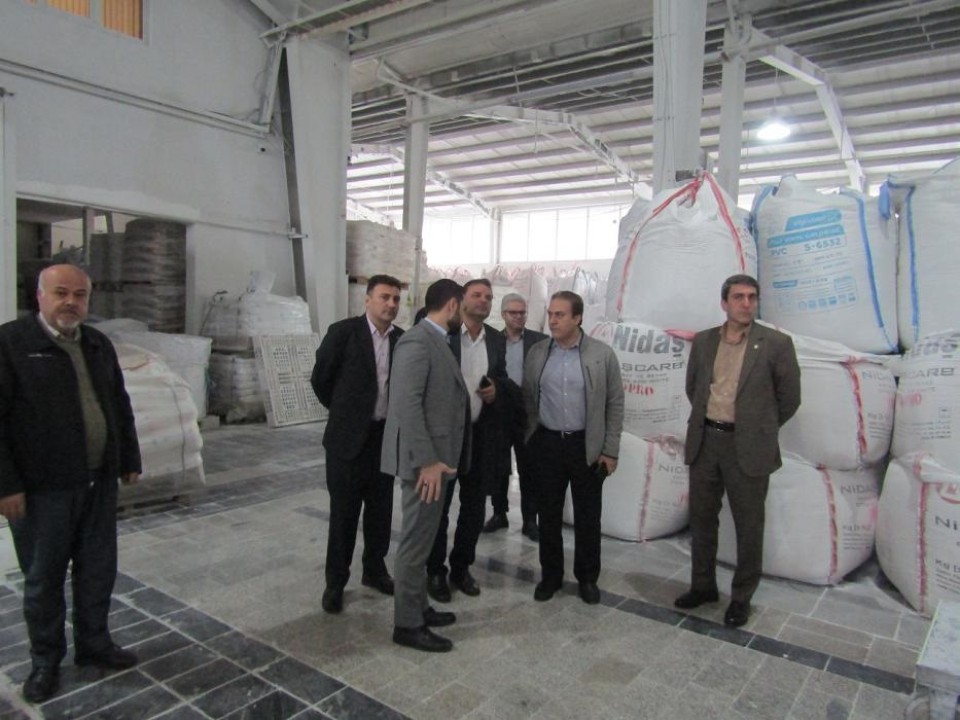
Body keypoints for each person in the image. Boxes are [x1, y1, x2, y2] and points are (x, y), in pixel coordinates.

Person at [0, 264, 142, 703]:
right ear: (39, 295)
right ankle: (45, 661)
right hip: (43, 489)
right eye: (61, 292)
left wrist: (128, 457)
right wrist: (6, 485)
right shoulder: (11, 344)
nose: (71, 302)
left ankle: (94, 643)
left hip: (98, 482)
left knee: (97, 569)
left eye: (79, 295)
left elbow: (118, 403)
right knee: (43, 578)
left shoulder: (97, 343)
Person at [674, 274, 801, 628]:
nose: (746, 303)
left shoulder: (776, 344)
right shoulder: (704, 341)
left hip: (748, 447)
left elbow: (790, 398)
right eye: (739, 297)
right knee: (702, 519)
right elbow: (694, 388)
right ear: (724, 303)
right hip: (706, 442)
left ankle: (741, 598)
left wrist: (758, 428)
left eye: (752, 297)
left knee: (749, 526)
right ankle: (703, 587)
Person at [382, 279, 470, 653]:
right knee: (415, 545)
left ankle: (419, 607)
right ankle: (407, 624)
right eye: (463, 306)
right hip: (425, 464)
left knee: (423, 539)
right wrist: (428, 461)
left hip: (436, 460)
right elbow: (407, 404)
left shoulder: (437, 340)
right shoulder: (417, 342)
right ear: (452, 305)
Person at [311, 274, 404, 614]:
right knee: (344, 514)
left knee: (380, 512)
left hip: (383, 439)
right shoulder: (343, 333)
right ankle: (336, 582)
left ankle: (374, 571)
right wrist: (345, 413)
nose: (391, 304)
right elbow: (321, 379)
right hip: (347, 441)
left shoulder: (402, 341)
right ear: (368, 299)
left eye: (395, 299)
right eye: (384, 297)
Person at [522, 291, 623, 605]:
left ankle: (587, 578)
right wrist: (531, 439)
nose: (552, 320)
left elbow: (615, 403)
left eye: (560, 315)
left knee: (588, 516)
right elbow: (529, 397)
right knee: (549, 514)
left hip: (586, 446)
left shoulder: (601, 355)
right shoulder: (538, 353)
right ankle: (550, 576)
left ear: (578, 318)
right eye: (551, 314)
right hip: (548, 444)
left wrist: (610, 450)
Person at [426, 278, 511, 603]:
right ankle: (435, 570)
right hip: (446, 437)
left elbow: (501, 376)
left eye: (488, 296)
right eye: (476, 294)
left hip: (481, 436)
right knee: (438, 508)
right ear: (461, 299)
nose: (483, 300)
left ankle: (461, 567)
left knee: (474, 509)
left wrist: (496, 390)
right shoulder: (444, 333)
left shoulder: (496, 339)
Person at [483, 293, 546, 540]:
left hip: (528, 413)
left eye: (522, 312)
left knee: (530, 467)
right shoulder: (492, 341)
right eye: (513, 313)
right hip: (500, 412)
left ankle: (530, 520)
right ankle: (499, 513)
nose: (519, 317)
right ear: (503, 314)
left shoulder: (539, 342)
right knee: (499, 466)